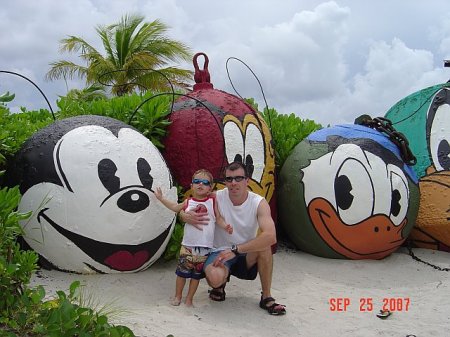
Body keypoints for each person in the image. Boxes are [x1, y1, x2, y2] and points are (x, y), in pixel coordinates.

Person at [179, 162, 286, 315]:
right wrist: (184, 215)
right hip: (219, 252)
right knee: (214, 278)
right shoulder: (215, 197)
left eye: (238, 178)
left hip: (245, 252)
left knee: (264, 246)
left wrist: (235, 250)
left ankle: (266, 296)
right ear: (225, 182)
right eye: (229, 179)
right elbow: (187, 205)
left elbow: (271, 236)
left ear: (247, 180)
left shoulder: (258, 203)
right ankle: (219, 285)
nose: (233, 183)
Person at [155, 169, 233, 307]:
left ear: (211, 187)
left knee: (195, 276)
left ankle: (189, 298)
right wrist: (161, 198)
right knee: (181, 274)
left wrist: (225, 226)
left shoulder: (212, 201)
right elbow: (174, 207)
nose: (200, 184)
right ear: (191, 186)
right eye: (196, 181)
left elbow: (218, 218)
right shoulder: (188, 202)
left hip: (205, 248)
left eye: (205, 182)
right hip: (188, 246)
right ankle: (178, 296)